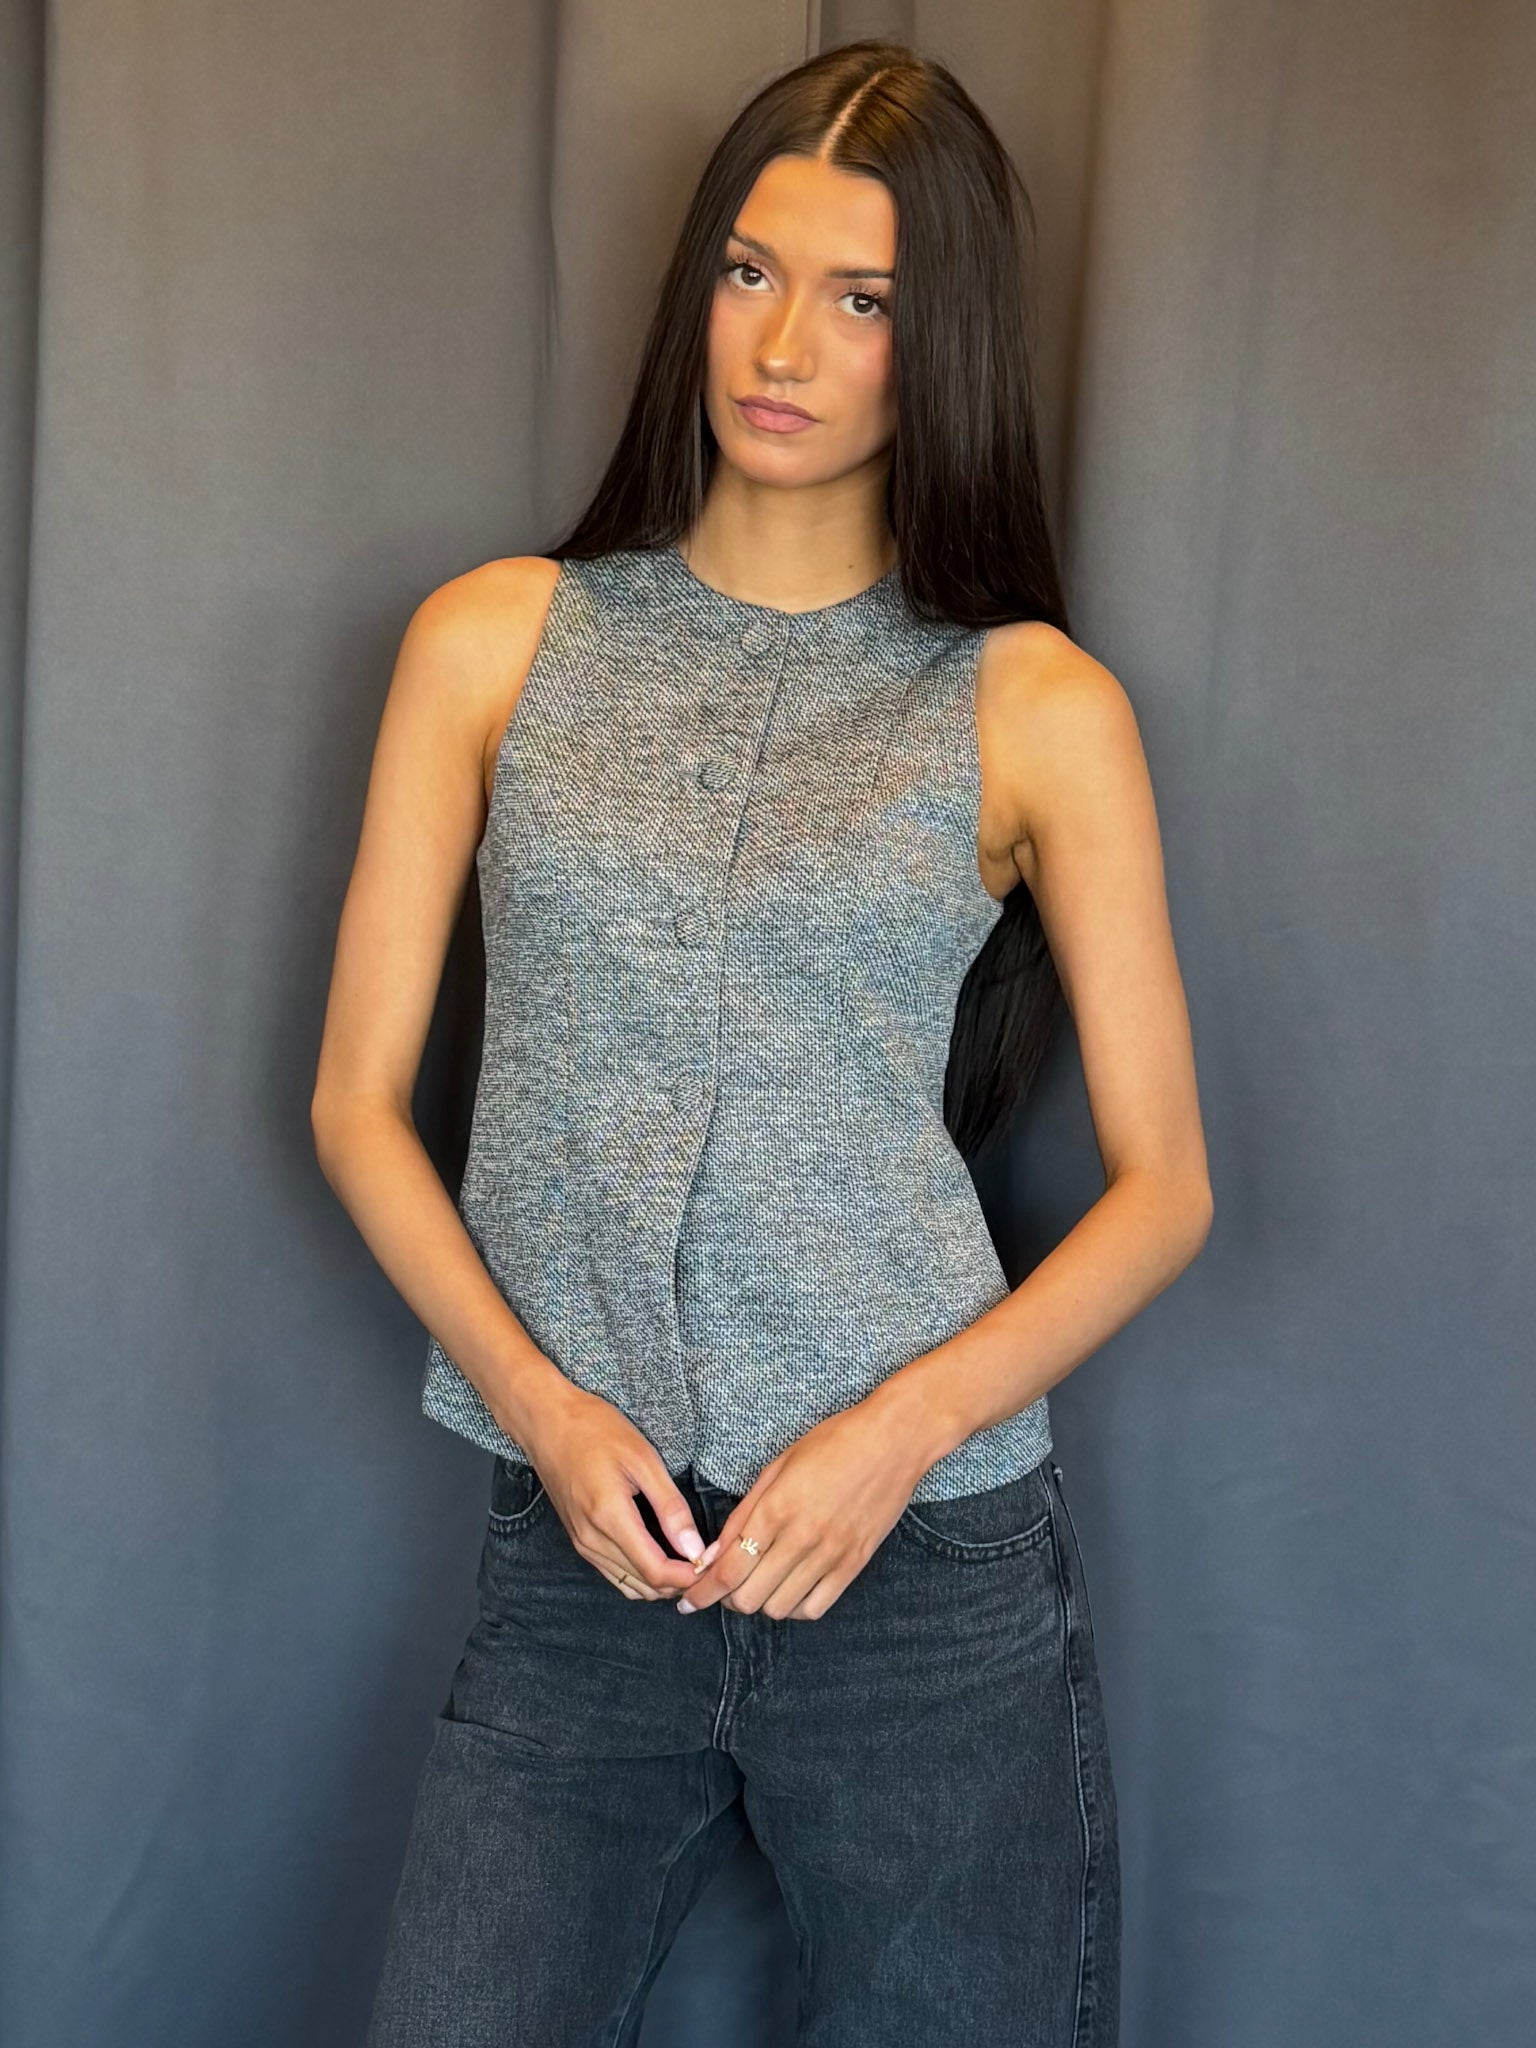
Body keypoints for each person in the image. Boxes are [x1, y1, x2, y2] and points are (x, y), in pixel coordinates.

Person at [313, 36, 1211, 2048]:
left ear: (938, 338)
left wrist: (896, 1438)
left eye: (862, 298)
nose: (784, 344)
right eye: (749, 271)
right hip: (584, 1558)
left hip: (921, 1573)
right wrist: (544, 1415)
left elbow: (1168, 1189)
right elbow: (357, 1103)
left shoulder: (1033, 705)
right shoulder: (494, 641)